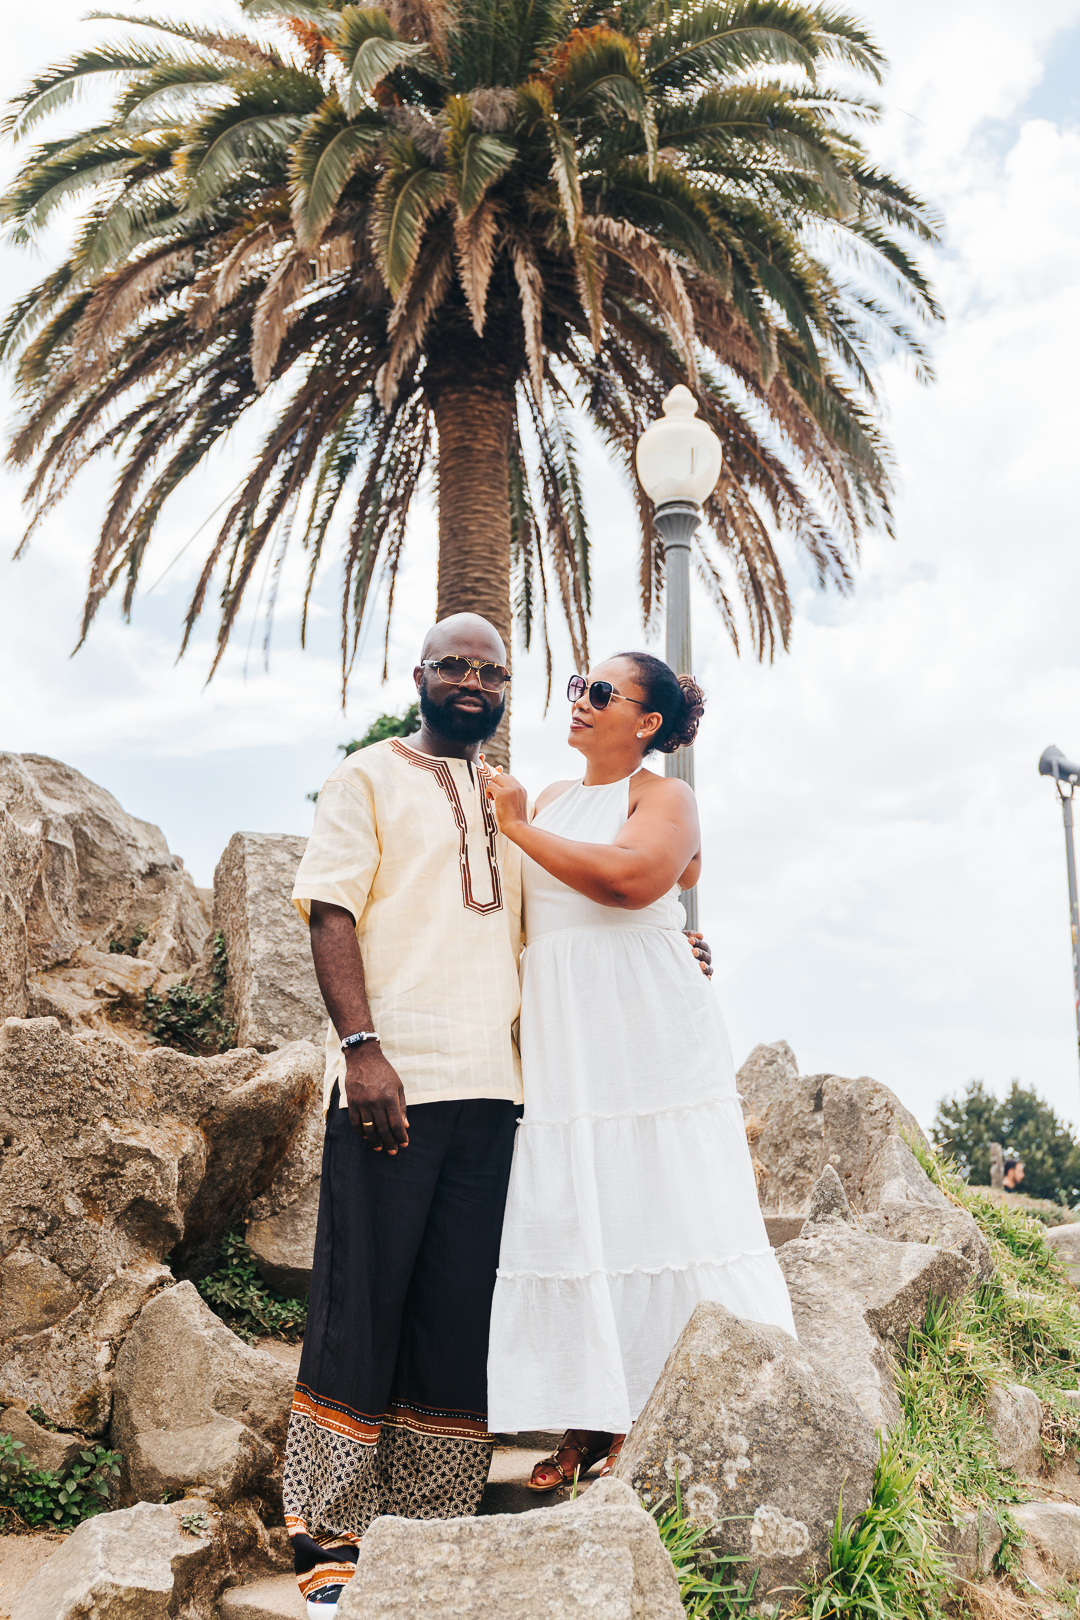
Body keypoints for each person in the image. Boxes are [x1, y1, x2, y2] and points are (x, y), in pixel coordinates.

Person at [281, 614, 714, 1614]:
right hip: (392, 1084)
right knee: (362, 1307)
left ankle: (431, 1525)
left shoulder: (518, 797)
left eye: (491, 671)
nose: (473, 681)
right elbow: (331, 911)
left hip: (498, 1095)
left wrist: (675, 955)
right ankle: (328, 1532)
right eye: (454, 666)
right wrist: (361, 1048)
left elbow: (616, 893)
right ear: (420, 676)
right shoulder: (367, 778)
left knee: (454, 1317)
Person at [484, 652, 796, 1488]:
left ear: (647, 723)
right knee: (581, 1206)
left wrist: (514, 829)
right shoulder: (551, 798)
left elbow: (634, 880)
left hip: (643, 1024)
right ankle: (589, 1418)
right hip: (567, 1027)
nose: (578, 702)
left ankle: (653, 1412)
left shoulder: (663, 796)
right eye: (576, 688)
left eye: (598, 693)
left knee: (658, 1202)